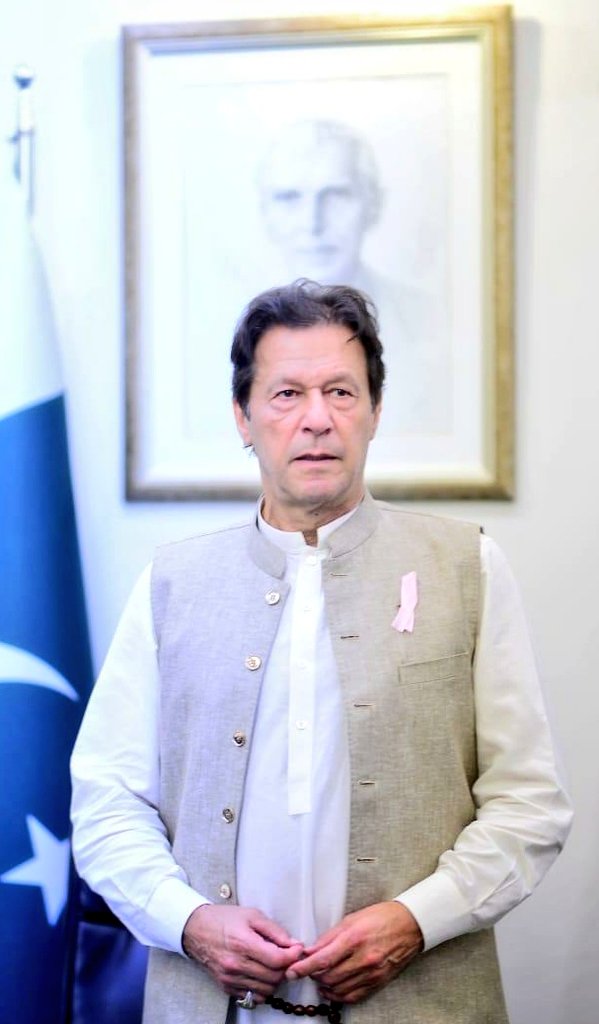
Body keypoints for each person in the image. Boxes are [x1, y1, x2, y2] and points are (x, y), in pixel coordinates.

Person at [71, 281, 572, 1024]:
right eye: (285, 395)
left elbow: (528, 804)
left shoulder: (466, 567)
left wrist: (417, 920)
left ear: (373, 411)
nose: (316, 418)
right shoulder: (171, 584)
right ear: (242, 417)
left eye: (340, 391)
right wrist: (187, 921)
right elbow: (107, 801)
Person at [257, 120, 450, 434]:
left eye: (336, 196)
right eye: (289, 198)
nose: (313, 223)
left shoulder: (433, 320)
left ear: (373, 205)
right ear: (265, 212)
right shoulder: (225, 326)